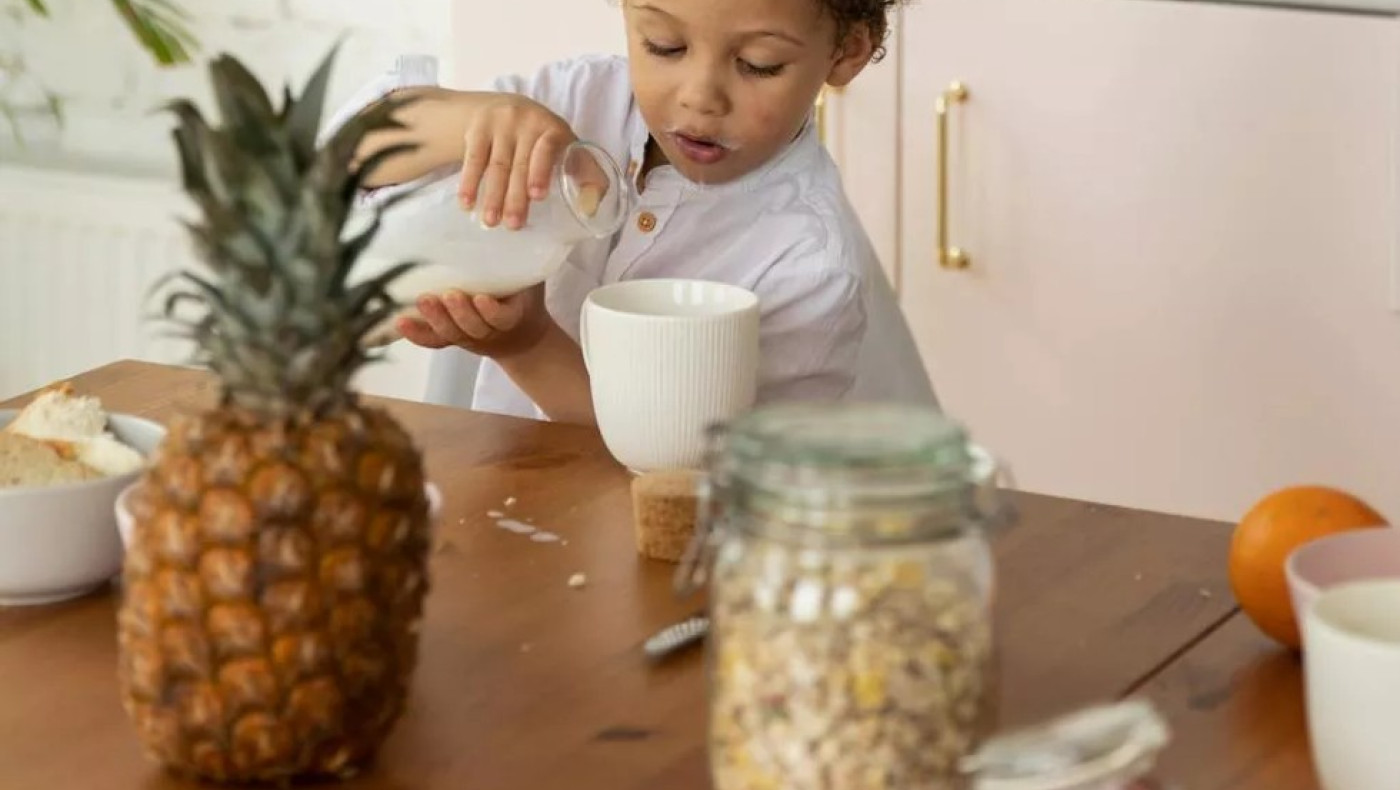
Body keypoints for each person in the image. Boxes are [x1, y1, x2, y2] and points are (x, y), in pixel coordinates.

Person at [326, 0, 936, 424]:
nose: (699, 97)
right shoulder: (575, 96)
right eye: (664, 46)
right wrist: (471, 118)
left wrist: (528, 346)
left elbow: (697, 481)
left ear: (846, 53)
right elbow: (337, 160)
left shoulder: (808, 265)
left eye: (758, 64)